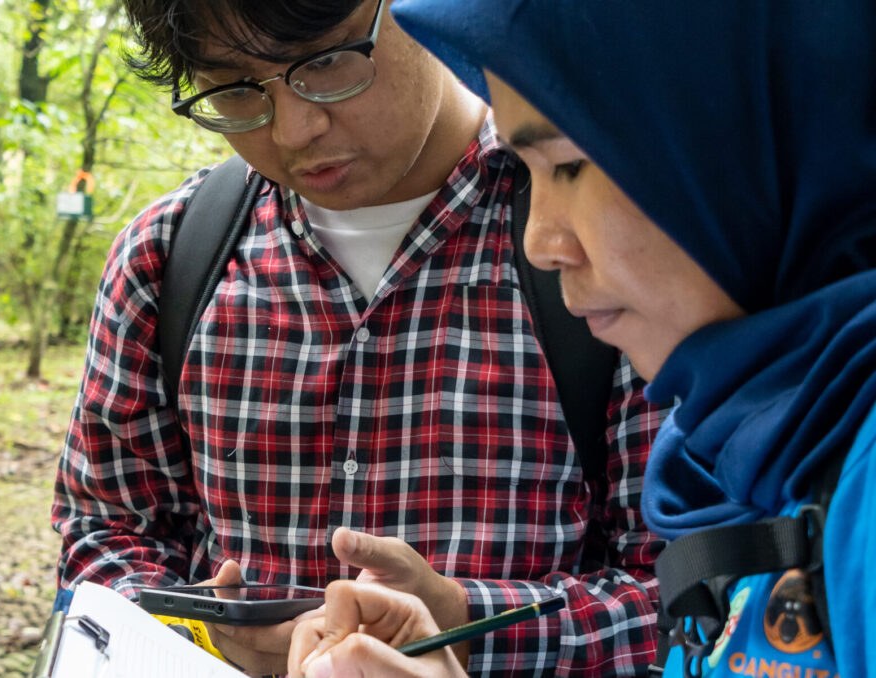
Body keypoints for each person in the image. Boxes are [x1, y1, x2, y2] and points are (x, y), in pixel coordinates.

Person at [51, 0, 670, 675]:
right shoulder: (167, 259)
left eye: (327, 62)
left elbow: (697, 596)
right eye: (234, 89)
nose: (295, 129)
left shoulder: (593, 240)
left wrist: (468, 624)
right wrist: (197, 632)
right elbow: (106, 535)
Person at [286, 0, 876, 676]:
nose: (541, 242)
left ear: (734, 137)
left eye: (566, 165)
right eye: (527, 172)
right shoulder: (739, 449)